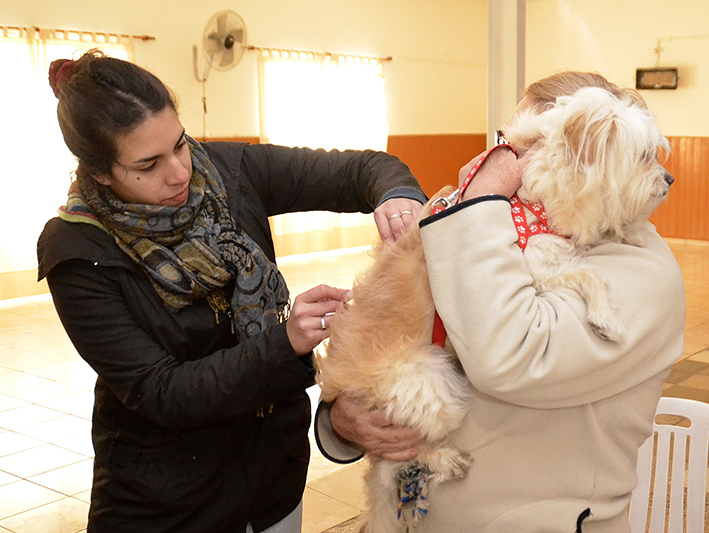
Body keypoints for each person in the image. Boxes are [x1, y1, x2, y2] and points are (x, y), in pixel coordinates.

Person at [37, 48, 426, 533]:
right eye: (148, 164)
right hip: (168, 500)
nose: (180, 172)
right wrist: (283, 343)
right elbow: (161, 392)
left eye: (180, 144)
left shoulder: (228, 171)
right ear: (100, 173)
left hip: (271, 478)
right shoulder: (78, 248)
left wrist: (398, 197)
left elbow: (359, 169)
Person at [320, 72, 686, 532]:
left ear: (586, 154)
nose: (507, 163)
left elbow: (505, 353)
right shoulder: (486, 221)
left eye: (527, 147)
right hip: (411, 514)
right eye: (503, 144)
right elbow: (381, 331)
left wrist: (483, 199)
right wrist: (341, 418)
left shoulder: (642, 274)